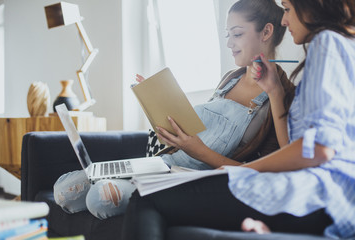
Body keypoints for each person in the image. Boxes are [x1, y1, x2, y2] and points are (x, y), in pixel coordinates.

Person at [121, 0, 355, 239]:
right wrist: (274, 91)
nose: (284, 20)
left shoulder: (327, 43)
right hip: (321, 191)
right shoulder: (339, 46)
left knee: (146, 198)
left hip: (320, 193)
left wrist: (244, 171)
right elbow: (294, 149)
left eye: (287, 8)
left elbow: (318, 150)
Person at [53, 0, 294, 220]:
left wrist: (275, 94)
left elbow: (277, 164)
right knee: (64, 190)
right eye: (227, 35)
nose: (230, 43)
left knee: (100, 198)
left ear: (266, 32)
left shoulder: (283, 93)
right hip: (160, 163)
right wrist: (158, 101)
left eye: (237, 34)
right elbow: (195, 131)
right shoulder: (230, 78)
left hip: (189, 179)